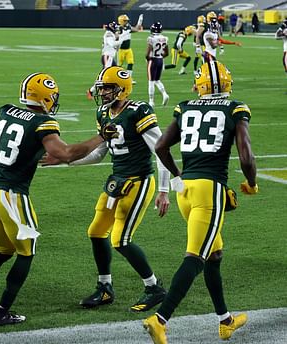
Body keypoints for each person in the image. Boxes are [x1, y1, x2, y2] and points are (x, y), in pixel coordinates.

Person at [0, 72, 106, 327]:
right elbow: (66, 154)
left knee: (4, 250)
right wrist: (101, 137)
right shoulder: (43, 123)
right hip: (12, 196)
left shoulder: (6, 111)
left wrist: (28, 148)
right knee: (26, 252)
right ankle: (2, 311)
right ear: (45, 96)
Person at [144, 60, 257, 344]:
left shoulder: (185, 106)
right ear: (227, 84)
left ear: (200, 84)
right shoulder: (235, 108)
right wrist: (252, 184)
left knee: (214, 254)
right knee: (195, 258)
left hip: (185, 191)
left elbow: (160, 147)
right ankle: (160, 320)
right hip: (209, 190)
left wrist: (177, 175)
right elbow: (246, 156)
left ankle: (225, 320)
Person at [62, 66, 171, 313]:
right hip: (117, 180)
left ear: (122, 89)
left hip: (139, 180)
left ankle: (154, 287)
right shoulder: (103, 112)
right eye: (102, 88)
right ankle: (104, 287)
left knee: (120, 239)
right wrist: (67, 160)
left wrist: (164, 190)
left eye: (109, 88)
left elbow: (161, 150)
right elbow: (100, 152)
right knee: (96, 231)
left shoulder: (138, 111)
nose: (104, 93)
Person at [87, 22, 123, 100]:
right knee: (103, 77)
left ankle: (117, 91)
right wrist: (121, 40)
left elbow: (116, 47)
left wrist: (118, 38)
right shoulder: (109, 34)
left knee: (116, 73)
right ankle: (90, 91)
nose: (116, 30)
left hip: (110, 57)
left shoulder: (111, 34)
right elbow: (112, 44)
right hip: (107, 57)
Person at [146, 22, 169, 107]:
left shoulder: (151, 38)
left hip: (153, 60)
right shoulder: (165, 38)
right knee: (157, 80)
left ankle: (151, 101)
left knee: (151, 82)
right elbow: (166, 53)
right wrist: (160, 56)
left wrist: (148, 59)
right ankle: (164, 94)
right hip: (160, 59)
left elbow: (148, 52)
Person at [117, 14, 143, 84]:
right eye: (125, 21)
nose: (126, 22)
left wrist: (140, 21)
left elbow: (136, 29)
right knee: (119, 66)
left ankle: (129, 79)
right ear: (121, 21)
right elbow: (115, 38)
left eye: (126, 21)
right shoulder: (118, 29)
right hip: (120, 50)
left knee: (131, 63)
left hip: (128, 49)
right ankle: (117, 79)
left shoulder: (128, 27)